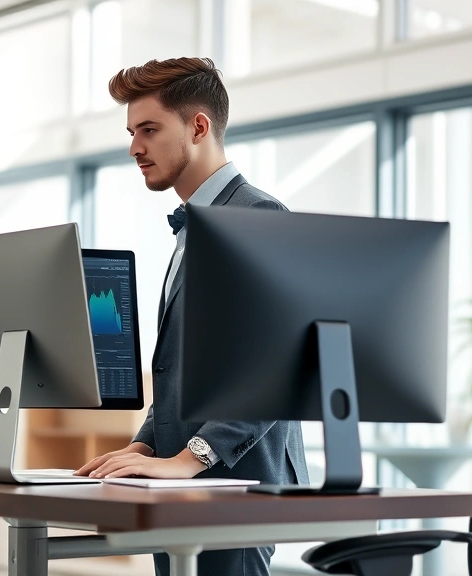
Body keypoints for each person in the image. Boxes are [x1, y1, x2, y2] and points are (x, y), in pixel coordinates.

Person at [75, 57, 309, 576]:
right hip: (183, 479)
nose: (135, 147)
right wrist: (144, 443)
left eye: (150, 130)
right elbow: (179, 370)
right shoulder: (190, 230)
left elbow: (280, 366)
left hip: (234, 479)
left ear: (198, 126)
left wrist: (188, 459)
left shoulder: (258, 217)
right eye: (132, 131)